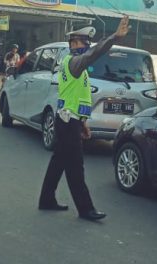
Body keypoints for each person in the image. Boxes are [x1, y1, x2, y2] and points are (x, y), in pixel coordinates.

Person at [38, 16, 130, 221]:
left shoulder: (75, 66)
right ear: (73, 45)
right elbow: (94, 54)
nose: (84, 46)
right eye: (79, 42)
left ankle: (46, 199)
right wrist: (114, 37)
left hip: (69, 121)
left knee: (59, 162)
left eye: (84, 43)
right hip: (67, 123)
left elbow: (76, 97)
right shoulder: (75, 63)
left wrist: (83, 123)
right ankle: (85, 209)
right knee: (75, 166)